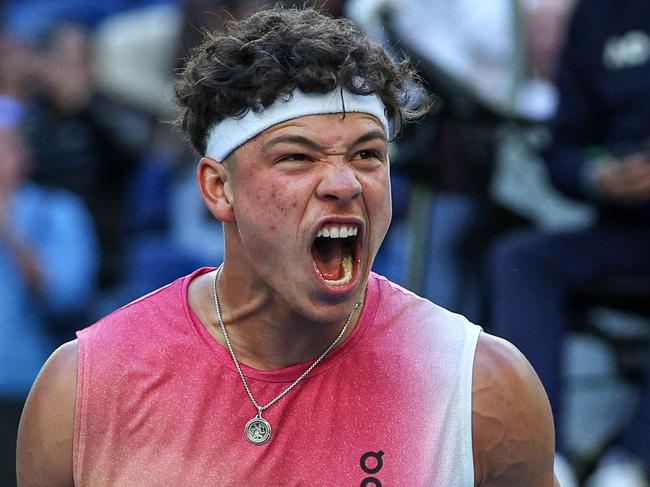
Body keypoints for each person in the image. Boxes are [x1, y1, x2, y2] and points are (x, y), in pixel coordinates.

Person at [17, 6, 558, 486]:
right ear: (218, 188)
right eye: (297, 158)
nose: (345, 184)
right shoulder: (84, 388)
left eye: (368, 155)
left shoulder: (482, 386)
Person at [489, 0, 650, 485]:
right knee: (519, 259)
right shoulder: (600, 16)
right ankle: (539, 454)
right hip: (622, 230)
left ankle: (630, 462)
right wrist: (595, 175)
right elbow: (564, 148)